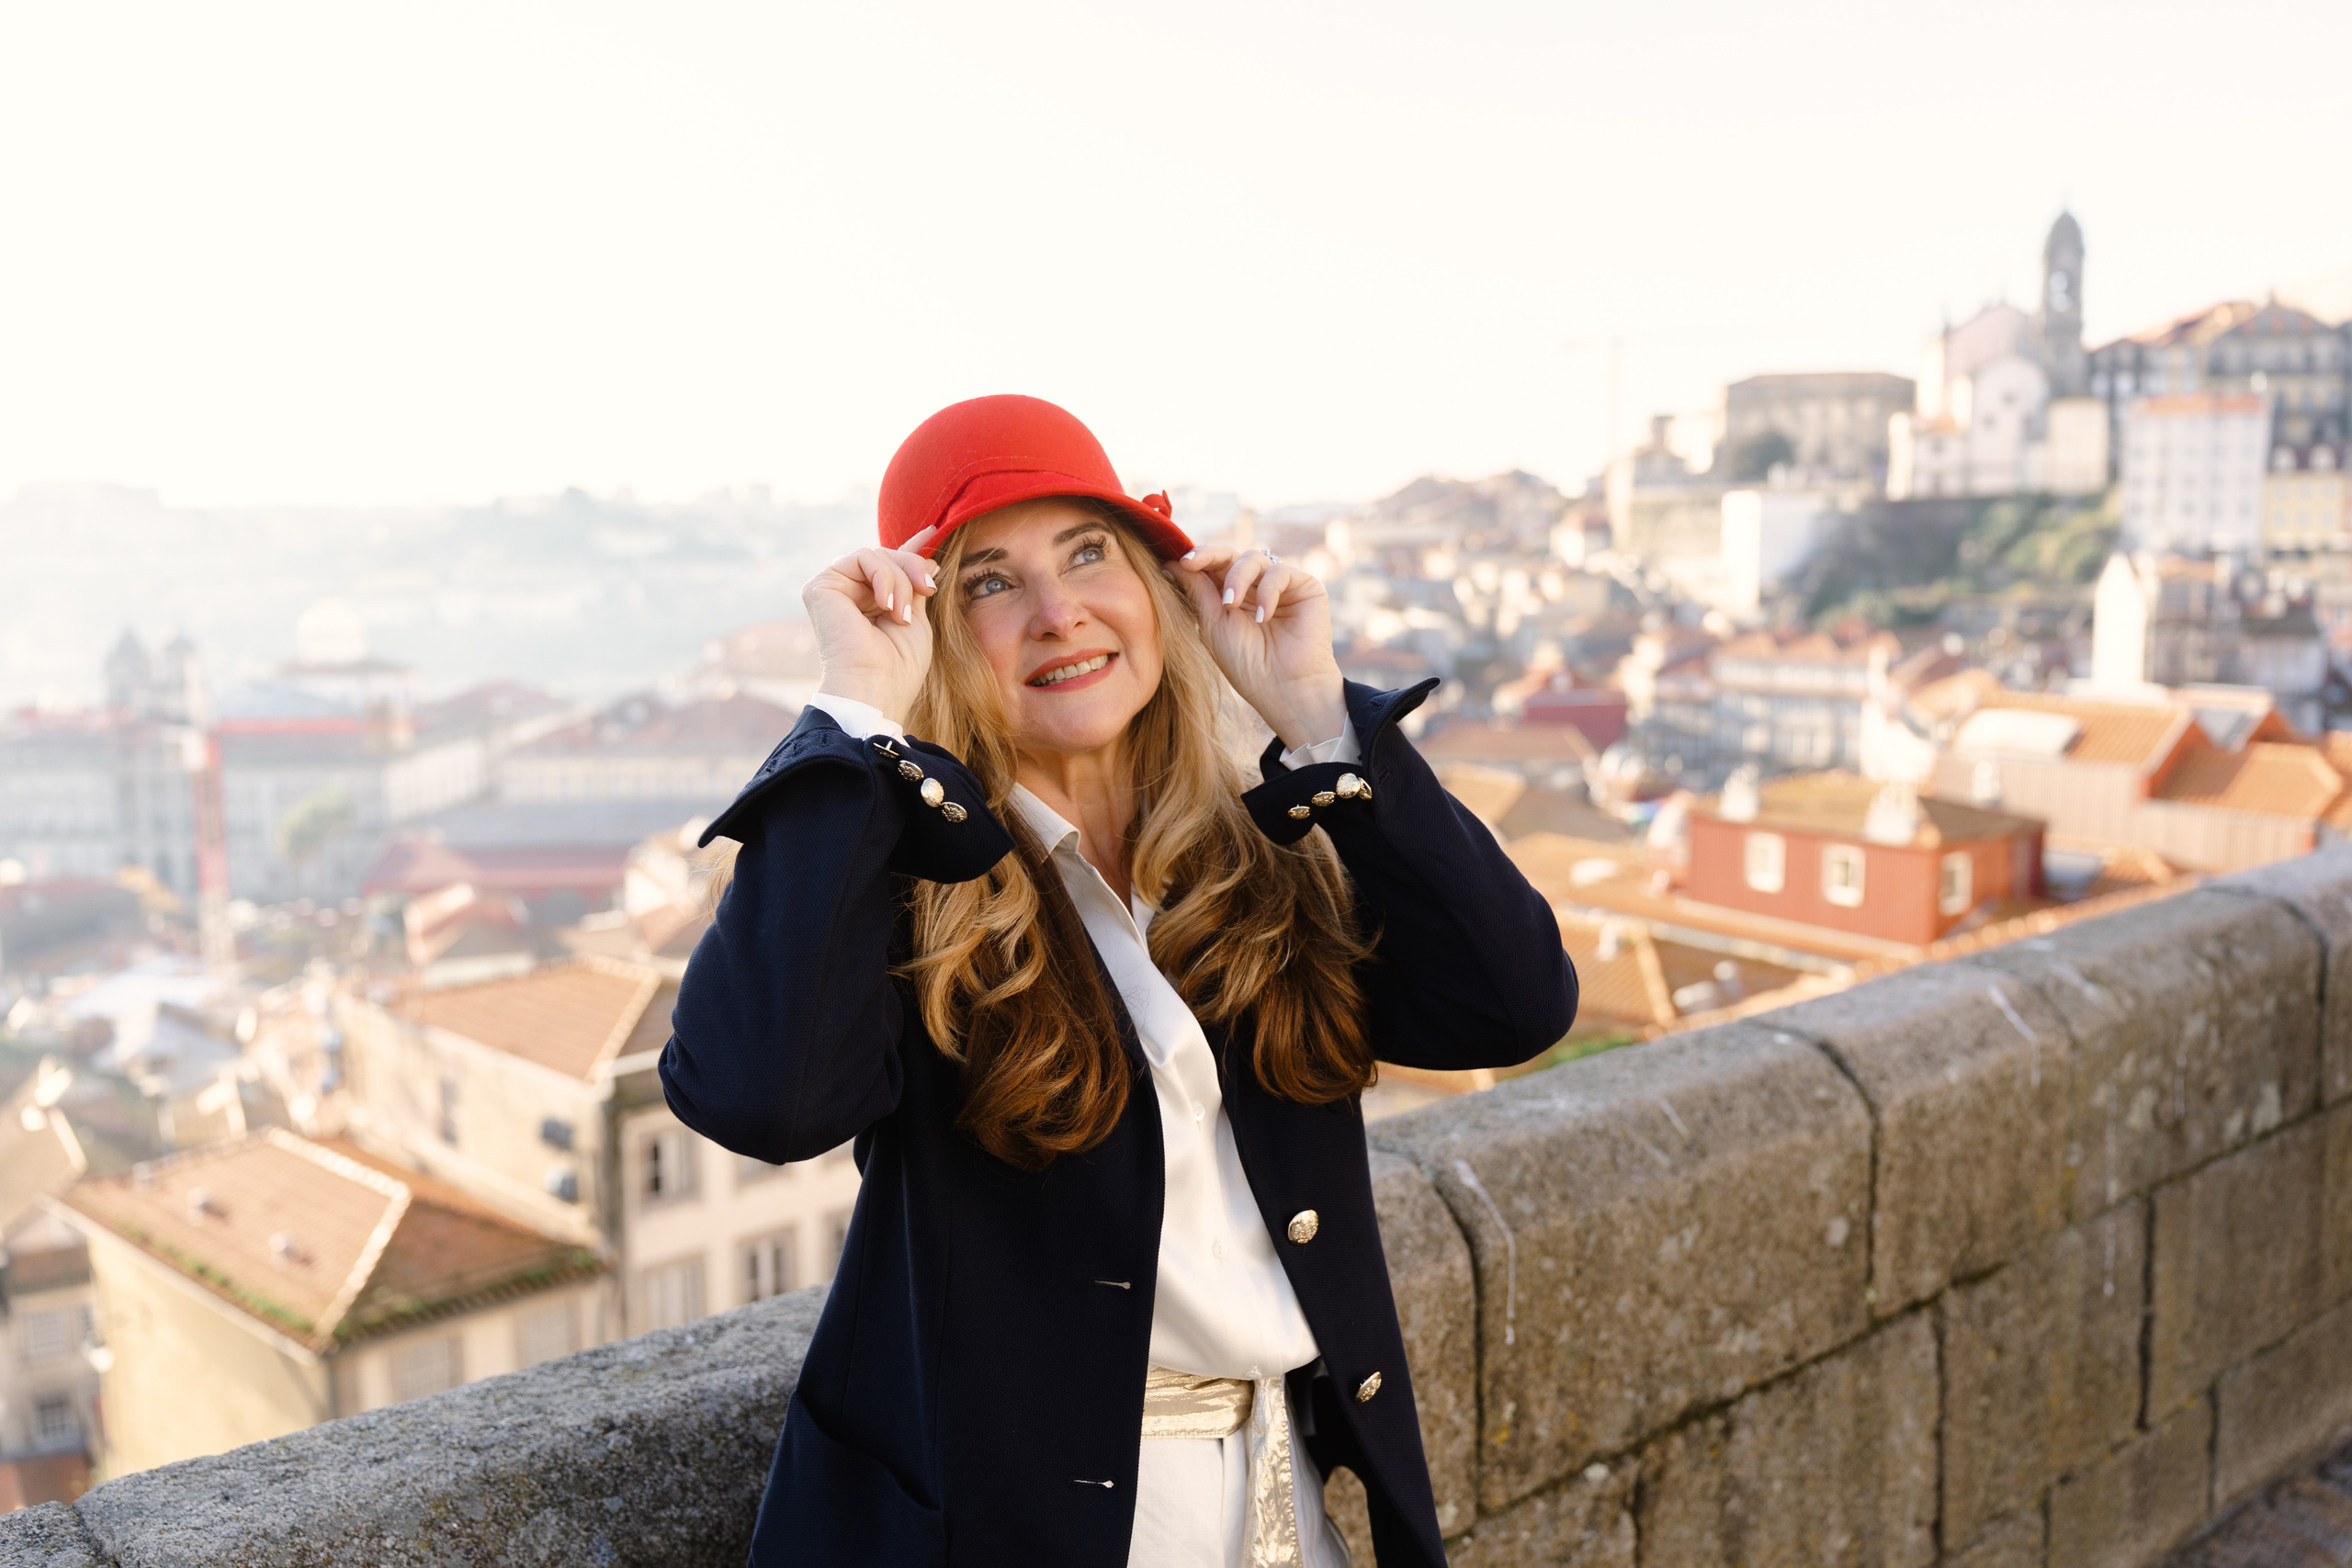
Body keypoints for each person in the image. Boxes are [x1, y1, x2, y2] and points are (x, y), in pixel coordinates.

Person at [662, 394, 1577, 1567]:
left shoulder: (1267, 854)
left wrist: (1317, 718)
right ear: (933, 630)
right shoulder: (904, 894)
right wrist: (850, 716)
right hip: (1017, 1530)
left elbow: (1515, 1005)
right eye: (989, 580)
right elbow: (757, 1101)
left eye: (1088, 553)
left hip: (1278, 1501)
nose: (1057, 613)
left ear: (1156, 584)